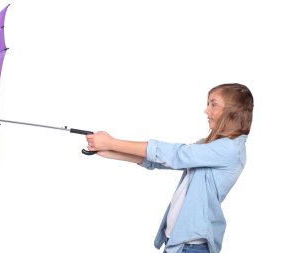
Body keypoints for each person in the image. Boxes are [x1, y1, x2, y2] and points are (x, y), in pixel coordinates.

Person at [85, 83, 254, 253]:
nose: (206, 110)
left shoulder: (230, 149)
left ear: (232, 111)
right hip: (178, 243)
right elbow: (160, 160)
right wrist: (111, 151)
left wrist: (112, 142)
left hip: (192, 247)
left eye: (213, 104)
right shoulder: (211, 146)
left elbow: (176, 155)